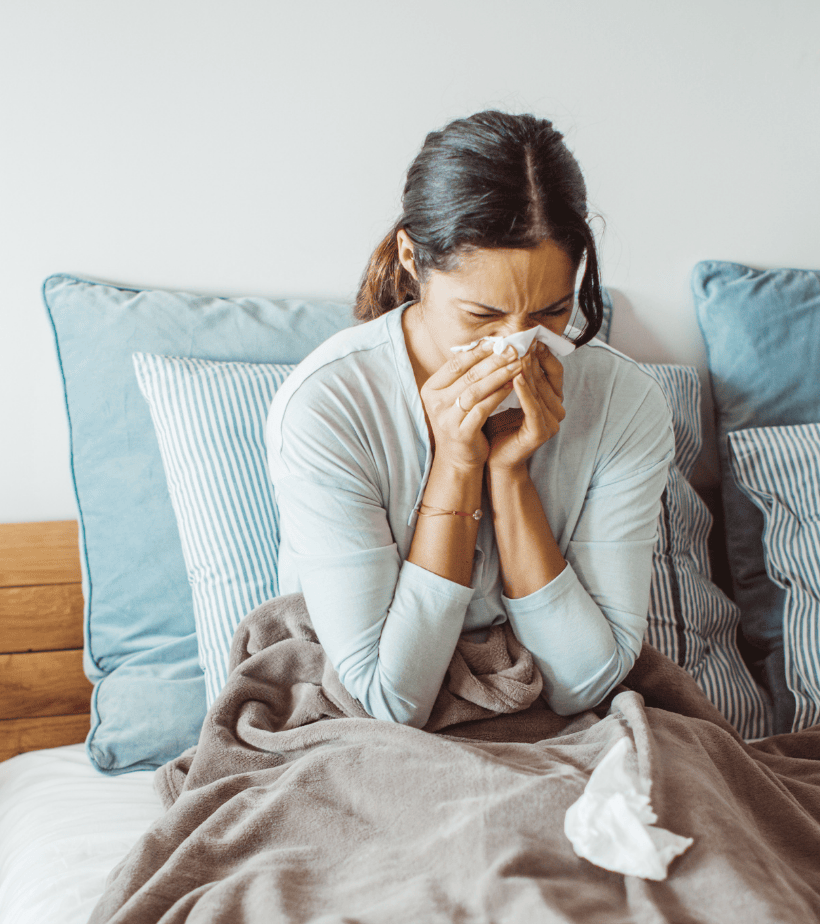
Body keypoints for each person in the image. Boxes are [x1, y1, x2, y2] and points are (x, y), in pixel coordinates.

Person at [266, 110, 672, 728]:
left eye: (552, 312)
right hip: (364, 729)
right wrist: (456, 465)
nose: (519, 345)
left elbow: (587, 683)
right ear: (410, 257)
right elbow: (389, 701)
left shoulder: (625, 402)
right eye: (483, 316)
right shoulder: (330, 405)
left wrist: (511, 480)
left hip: (557, 723)